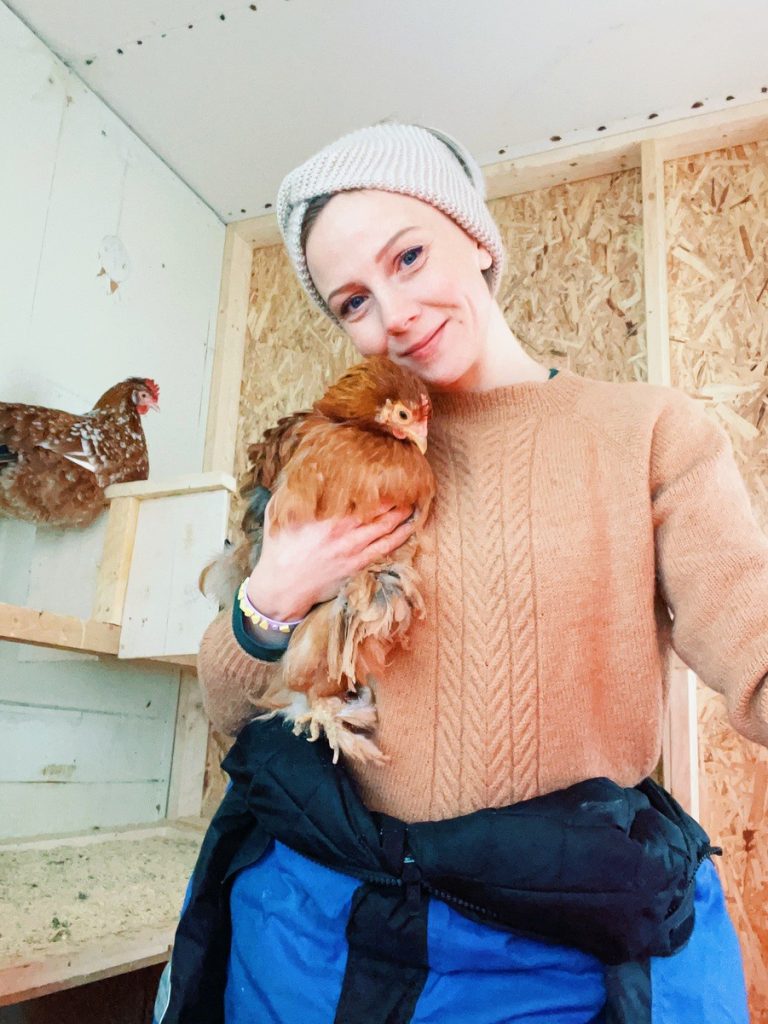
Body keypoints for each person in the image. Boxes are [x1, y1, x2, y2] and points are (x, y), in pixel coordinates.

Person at [154, 122, 767, 1024]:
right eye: (352, 301)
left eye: (407, 256)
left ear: (476, 236)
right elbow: (232, 717)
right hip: (327, 927)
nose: (391, 312)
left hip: (553, 939)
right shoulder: (341, 458)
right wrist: (269, 597)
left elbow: (752, 641)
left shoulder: (645, 431)